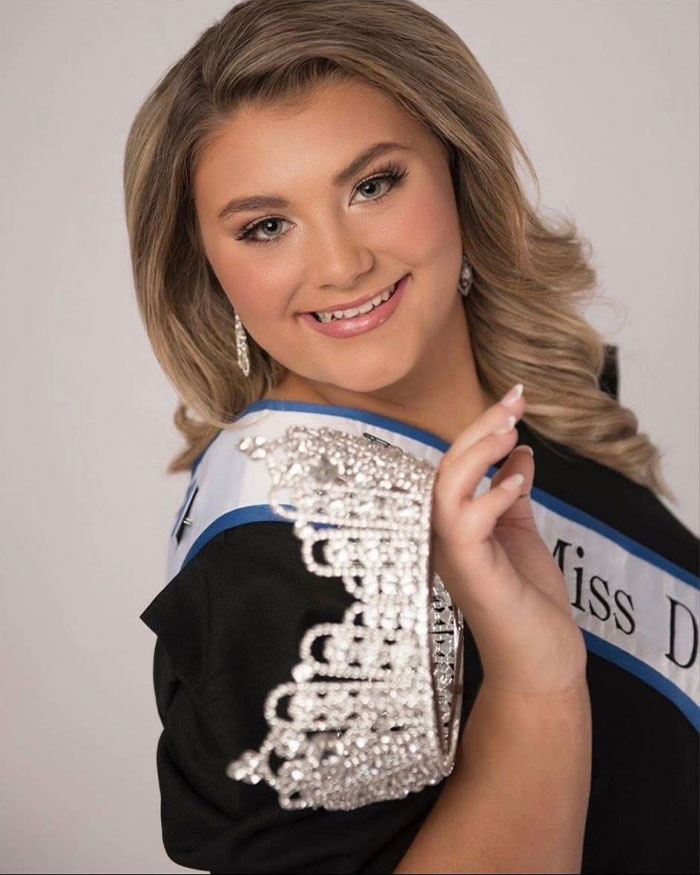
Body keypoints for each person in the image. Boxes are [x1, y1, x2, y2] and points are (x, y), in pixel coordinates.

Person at [123, 0, 699, 871]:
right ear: (205, 265)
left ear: (459, 169)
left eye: (373, 185)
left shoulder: (551, 398)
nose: (341, 265)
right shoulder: (275, 577)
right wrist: (534, 684)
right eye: (266, 226)